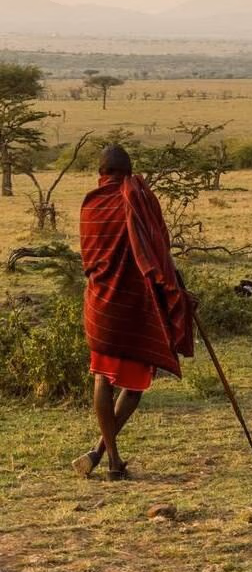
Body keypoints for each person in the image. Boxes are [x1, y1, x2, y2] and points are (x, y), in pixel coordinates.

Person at [72, 145, 194, 480]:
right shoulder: (136, 198)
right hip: (132, 306)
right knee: (136, 384)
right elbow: (156, 249)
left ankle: (105, 455)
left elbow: (89, 257)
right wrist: (174, 287)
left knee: (102, 376)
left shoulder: (91, 204)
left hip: (99, 303)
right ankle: (109, 459)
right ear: (128, 172)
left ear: (101, 173)